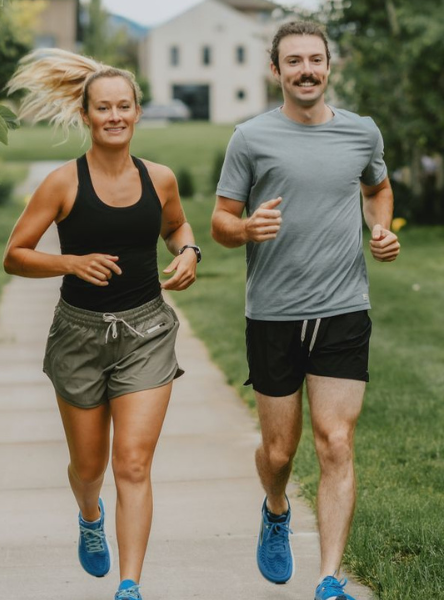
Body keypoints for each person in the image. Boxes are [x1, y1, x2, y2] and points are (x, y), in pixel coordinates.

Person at [211, 21, 400, 600]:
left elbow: (378, 188)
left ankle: (329, 578)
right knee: (279, 451)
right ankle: (274, 508)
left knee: (335, 441)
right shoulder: (251, 138)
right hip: (273, 314)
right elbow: (220, 222)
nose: (306, 70)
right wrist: (245, 228)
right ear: (277, 71)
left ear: (328, 64)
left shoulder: (361, 133)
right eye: (294, 61)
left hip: (344, 307)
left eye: (315, 59)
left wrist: (380, 228)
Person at [4, 49, 200, 600]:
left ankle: (130, 585)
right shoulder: (63, 184)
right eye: (103, 108)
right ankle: (89, 516)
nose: (114, 116)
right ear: (86, 115)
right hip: (78, 335)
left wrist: (189, 253)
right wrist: (68, 263)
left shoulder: (159, 178)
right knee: (89, 468)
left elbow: (178, 226)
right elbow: (14, 255)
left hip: (146, 333)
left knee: (132, 465)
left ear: (138, 112)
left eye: (124, 106)